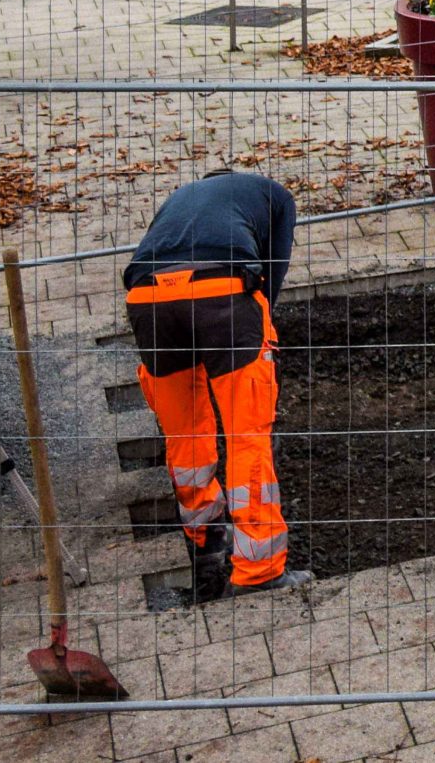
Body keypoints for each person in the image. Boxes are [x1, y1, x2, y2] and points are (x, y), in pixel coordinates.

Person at [124, 172, 309, 601]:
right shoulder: (276, 195)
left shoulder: (180, 197)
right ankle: (259, 571)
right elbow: (271, 273)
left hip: (147, 298)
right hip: (224, 293)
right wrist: (249, 334)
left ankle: (205, 544)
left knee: (184, 434)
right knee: (247, 436)